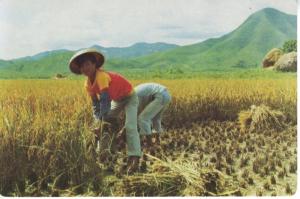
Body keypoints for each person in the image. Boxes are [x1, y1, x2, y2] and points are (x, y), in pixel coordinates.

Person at [68, 48, 141, 174]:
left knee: (130, 126)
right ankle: (106, 154)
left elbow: (105, 101)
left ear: (94, 65)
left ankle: (134, 157)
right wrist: (98, 122)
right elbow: (96, 104)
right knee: (104, 126)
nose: (85, 68)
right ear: (80, 70)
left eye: (87, 64)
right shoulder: (87, 84)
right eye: (82, 66)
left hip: (129, 97)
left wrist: (100, 123)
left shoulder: (101, 76)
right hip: (117, 100)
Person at [134, 83, 172, 148]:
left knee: (143, 118)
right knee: (156, 118)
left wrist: (123, 131)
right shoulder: (135, 92)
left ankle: (149, 144)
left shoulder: (134, 97)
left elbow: (136, 116)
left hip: (160, 96)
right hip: (166, 95)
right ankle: (157, 140)